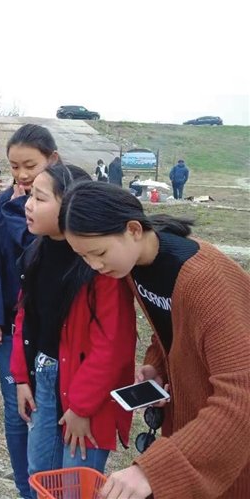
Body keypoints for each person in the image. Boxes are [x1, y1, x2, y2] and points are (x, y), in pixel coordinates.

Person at [61, 181, 250, 499]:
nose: (95, 266)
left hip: (231, 445)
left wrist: (152, 471)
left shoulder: (204, 280)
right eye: (83, 256)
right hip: (191, 426)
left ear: (133, 230)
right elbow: (176, 329)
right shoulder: (136, 267)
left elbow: (242, 396)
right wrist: (157, 366)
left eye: (100, 253)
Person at [11, 164, 136, 482]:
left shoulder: (100, 265)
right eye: (30, 196)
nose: (28, 205)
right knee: (40, 473)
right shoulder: (35, 253)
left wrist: (82, 407)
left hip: (86, 388)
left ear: (70, 205)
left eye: (39, 198)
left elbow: (112, 346)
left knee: (75, 482)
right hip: (44, 377)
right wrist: (22, 378)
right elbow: (25, 317)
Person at [0, 123, 60, 499]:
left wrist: (15, 206)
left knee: (48, 409)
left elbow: (33, 244)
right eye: (14, 166)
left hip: (50, 327)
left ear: (52, 160)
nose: (22, 175)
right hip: (10, 324)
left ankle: (50, 487)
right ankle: (26, 490)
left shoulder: (63, 202)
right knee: (15, 409)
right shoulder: (5, 203)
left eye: (30, 166)